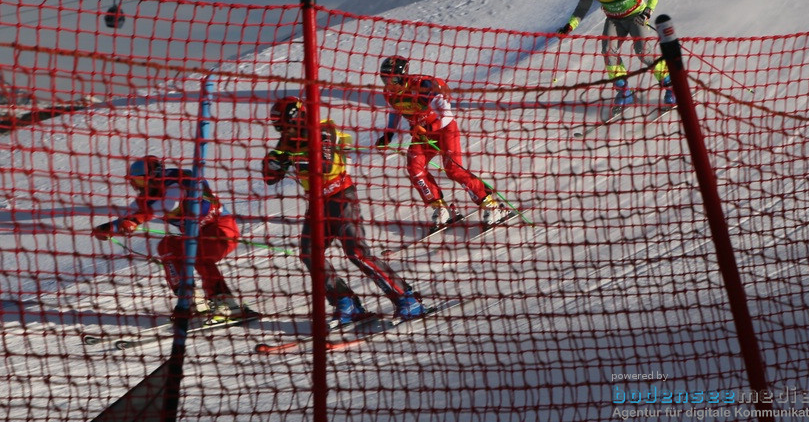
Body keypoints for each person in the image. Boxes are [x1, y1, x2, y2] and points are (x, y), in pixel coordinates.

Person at [263, 96, 425, 322]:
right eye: (281, 130)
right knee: (310, 252)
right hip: (317, 204)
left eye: (286, 128)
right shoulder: (286, 142)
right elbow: (269, 178)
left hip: (340, 196)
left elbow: (325, 165)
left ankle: (406, 298)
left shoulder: (323, 130)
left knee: (356, 252)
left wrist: (290, 156)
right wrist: (272, 164)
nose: (284, 135)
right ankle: (345, 302)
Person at [92, 155, 254, 320]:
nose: (137, 187)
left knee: (200, 254)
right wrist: (109, 228)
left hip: (221, 228)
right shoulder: (147, 198)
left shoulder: (177, 180)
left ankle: (226, 303)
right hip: (195, 235)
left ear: (153, 176)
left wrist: (137, 219)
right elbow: (129, 215)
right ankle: (190, 298)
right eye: (134, 183)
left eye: (140, 181)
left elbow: (171, 204)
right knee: (167, 245)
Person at [375, 56, 508, 231]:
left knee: (453, 169)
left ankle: (490, 204)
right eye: (384, 79)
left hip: (444, 129)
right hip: (422, 134)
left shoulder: (423, 87)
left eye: (391, 79)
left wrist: (431, 126)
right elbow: (395, 110)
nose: (388, 83)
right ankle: (442, 208)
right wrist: (389, 134)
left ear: (402, 75)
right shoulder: (389, 93)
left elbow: (447, 115)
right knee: (415, 168)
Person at [557, 0, 675, 106]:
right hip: (614, 19)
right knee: (608, 52)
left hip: (635, 16)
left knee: (643, 53)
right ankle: (624, 91)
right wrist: (569, 26)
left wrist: (647, 12)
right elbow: (581, 8)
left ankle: (670, 86)